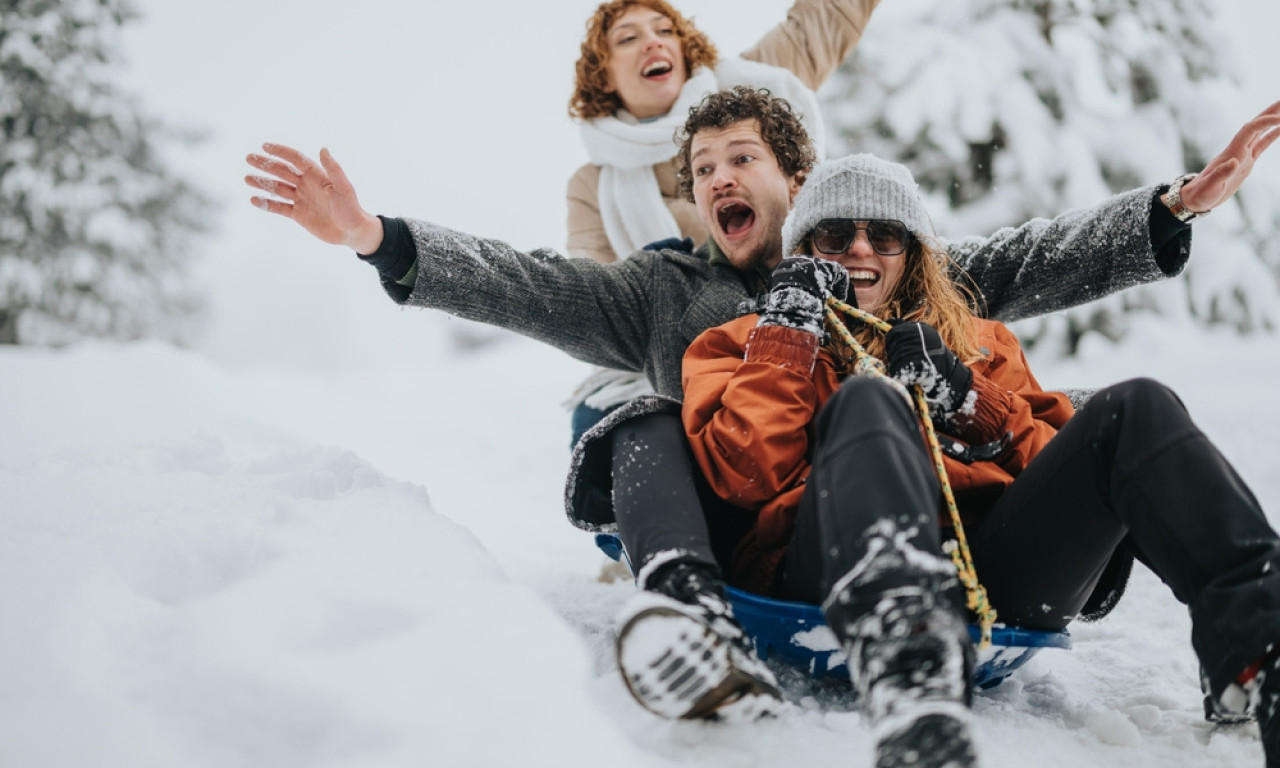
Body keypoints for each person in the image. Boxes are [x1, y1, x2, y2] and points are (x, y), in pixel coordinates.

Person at [243, 87, 1279, 722]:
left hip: (980, 545)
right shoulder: (674, 301)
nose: (717, 179)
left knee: (1124, 406)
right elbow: (526, 283)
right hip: (785, 528)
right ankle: (688, 608)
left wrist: (1165, 212)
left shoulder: (922, 287)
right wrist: (383, 239)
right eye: (700, 171)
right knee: (636, 416)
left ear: (792, 180)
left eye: (739, 159)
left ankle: (1256, 650)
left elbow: (1032, 261)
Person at [676, 153, 1280, 767]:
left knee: (1137, 407)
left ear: (909, 254)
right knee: (867, 397)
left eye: (883, 235)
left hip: (991, 573)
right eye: (836, 235)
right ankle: (904, 649)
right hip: (831, 570)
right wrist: (789, 332)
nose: (860, 250)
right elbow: (744, 476)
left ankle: (1261, 649)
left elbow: (1061, 473)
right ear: (805, 248)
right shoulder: (740, 342)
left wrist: (969, 399)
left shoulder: (979, 341)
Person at [564, 0, 879, 444]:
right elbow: (594, 295)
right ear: (604, 75)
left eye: (664, 30)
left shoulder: (751, 92)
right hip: (662, 361)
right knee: (629, 434)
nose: (652, 40)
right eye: (629, 38)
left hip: (794, 326)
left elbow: (827, 18)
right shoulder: (595, 185)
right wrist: (659, 284)